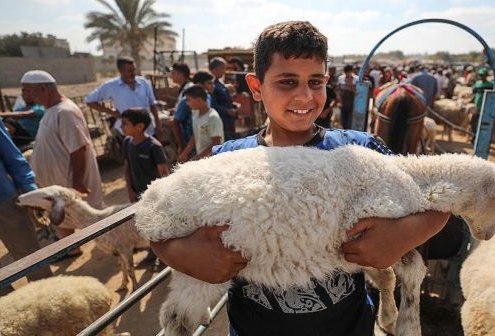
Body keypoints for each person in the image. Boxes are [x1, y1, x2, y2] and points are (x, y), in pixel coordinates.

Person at [150, 20, 450, 336]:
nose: (305, 97)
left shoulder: (360, 152)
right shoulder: (226, 160)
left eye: (315, 81)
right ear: (256, 87)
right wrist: (177, 252)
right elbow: (159, 217)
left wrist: (402, 234)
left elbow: (440, 199)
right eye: (287, 82)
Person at [22, 70, 104, 258]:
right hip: (59, 183)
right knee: (63, 217)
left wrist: (78, 182)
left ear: (43, 88)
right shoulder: (51, 110)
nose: (25, 95)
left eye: (27, 90)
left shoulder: (65, 111)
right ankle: (71, 247)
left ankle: (112, 243)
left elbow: (78, 149)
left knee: (89, 214)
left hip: (71, 182)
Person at [0, 111, 53, 299]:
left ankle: (50, 306)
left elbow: (11, 155)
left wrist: (29, 190)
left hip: (1, 199)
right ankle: (7, 312)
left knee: (30, 258)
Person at [84, 56, 160, 137]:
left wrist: (158, 125)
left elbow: (152, 104)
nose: (133, 73)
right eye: (130, 71)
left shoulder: (144, 83)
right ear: (121, 71)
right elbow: (89, 101)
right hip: (128, 134)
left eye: (134, 70)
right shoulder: (111, 86)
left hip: (148, 131)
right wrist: (112, 113)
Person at [121, 108, 170, 202]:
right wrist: (130, 191)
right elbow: (127, 168)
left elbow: (164, 174)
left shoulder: (154, 146)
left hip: (155, 196)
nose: (121, 126)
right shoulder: (127, 142)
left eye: (125, 123)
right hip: (138, 195)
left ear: (140, 126)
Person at [172, 71, 216, 155]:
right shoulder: (186, 100)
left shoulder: (208, 97)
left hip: (205, 142)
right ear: (200, 84)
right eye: (209, 83)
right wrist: (181, 146)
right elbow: (175, 122)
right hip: (191, 144)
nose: (212, 86)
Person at [177, 85, 224, 162]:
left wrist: (198, 158)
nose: (187, 103)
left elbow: (216, 142)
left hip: (213, 160)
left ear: (198, 100)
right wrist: (185, 153)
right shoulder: (195, 113)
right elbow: (195, 135)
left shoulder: (213, 117)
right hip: (202, 160)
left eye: (188, 100)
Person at [209, 57, 240, 140]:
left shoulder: (220, 82)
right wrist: (227, 111)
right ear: (215, 70)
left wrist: (234, 105)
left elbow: (225, 99)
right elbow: (212, 104)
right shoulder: (211, 85)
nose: (224, 71)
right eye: (222, 68)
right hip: (222, 120)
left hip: (229, 120)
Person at [469, 67, 495, 142]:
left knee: (484, 124)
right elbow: (474, 93)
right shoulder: (477, 83)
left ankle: (482, 139)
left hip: (486, 108)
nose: (481, 76)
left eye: (483, 75)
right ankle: (474, 136)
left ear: (486, 75)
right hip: (477, 107)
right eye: (480, 75)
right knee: (473, 122)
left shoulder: (491, 85)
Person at [337, 64, 358, 129]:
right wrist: (339, 101)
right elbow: (339, 90)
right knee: (343, 122)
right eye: (346, 72)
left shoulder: (356, 79)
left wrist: (350, 84)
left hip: (352, 104)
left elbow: (356, 93)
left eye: (349, 72)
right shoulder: (341, 78)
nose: (347, 74)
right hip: (343, 104)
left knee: (350, 123)